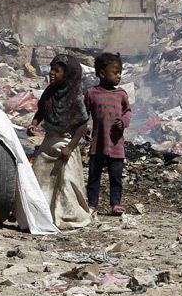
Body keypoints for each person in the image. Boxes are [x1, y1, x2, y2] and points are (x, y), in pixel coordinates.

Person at [28, 54, 92, 229]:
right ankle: (40, 214)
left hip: (65, 143)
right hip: (49, 142)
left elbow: (82, 124)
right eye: (52, 69)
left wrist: (70, 148)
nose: (52, 73)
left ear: (68, 74)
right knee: (39, 178)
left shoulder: (74, 96)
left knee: (67, 183)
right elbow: (41, 110)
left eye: (57, 71)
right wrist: (34, 124)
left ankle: (69, 217)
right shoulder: (49, 92)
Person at [84, 52, 132, 217]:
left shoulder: (121, 94)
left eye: (120, 72)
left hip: (116, 144)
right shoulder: (91, 94)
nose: (119, 76)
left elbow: (128, 112)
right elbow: (84, 114)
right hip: (98, 143)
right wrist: (84, 129)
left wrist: (123, 122)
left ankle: (115, 203)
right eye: (115, 72)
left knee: (116, 177)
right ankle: (92, 204)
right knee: (94, 176)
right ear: (102, 74)